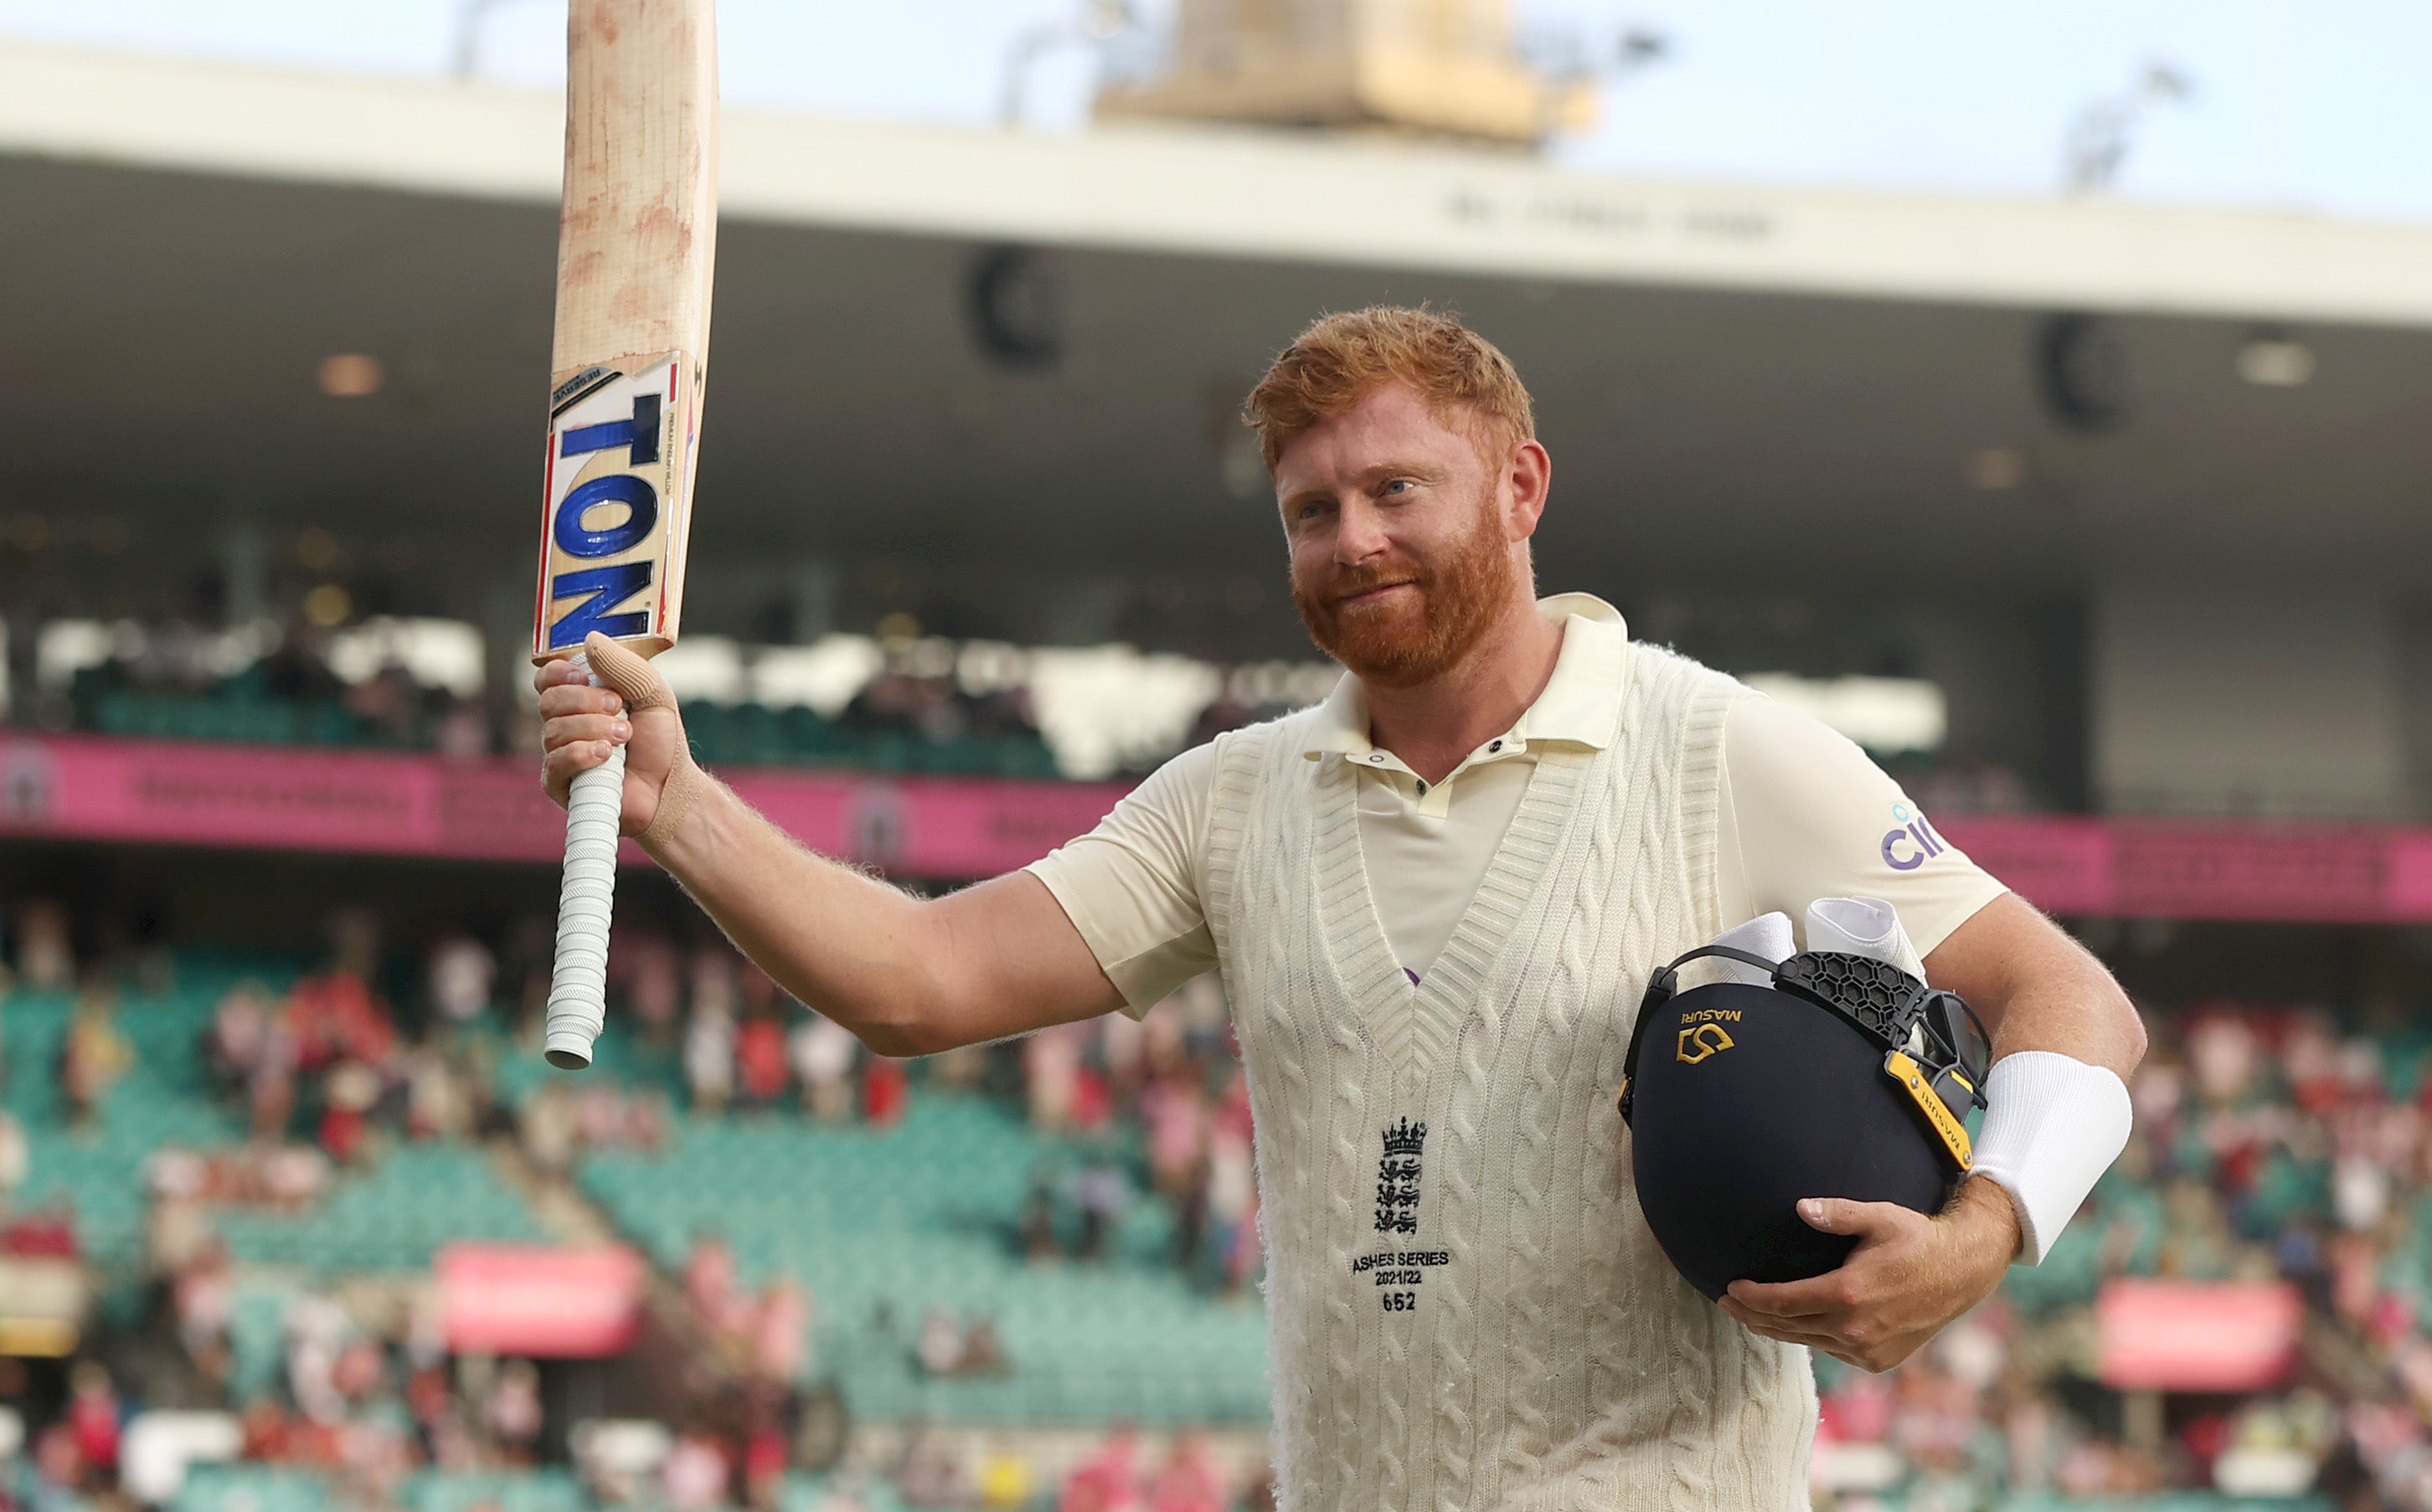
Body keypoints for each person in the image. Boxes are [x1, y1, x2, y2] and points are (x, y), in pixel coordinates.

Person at [539, 306, 2146, 1509]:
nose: (1353, 540)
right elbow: (919, 978)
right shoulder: (1232, 799)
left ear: (1521, 488)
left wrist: (1984, 1235)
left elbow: (2071, 999)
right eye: (1313, 510)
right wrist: (683, 809)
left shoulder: (1715, 746)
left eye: (1398, 489)